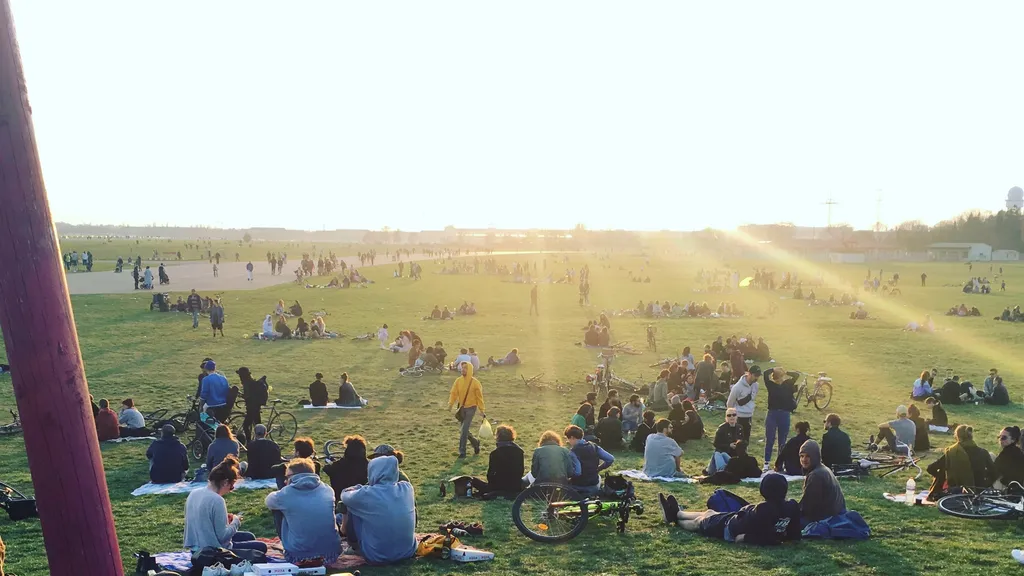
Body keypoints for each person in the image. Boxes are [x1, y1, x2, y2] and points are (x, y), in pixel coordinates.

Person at [658, 472, 800, 544]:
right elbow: (793, 534)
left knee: (699, 523)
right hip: (733, 519)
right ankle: (678, 512)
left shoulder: (765, 509)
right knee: (709, 512)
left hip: (728, 528)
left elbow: (766, 537)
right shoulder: (791, 506)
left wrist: (745, 538)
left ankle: (675, 518)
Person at [339, 456, 417, 565]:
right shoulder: (407, 488)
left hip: (376, 555)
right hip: (407, 551)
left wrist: (358, 488)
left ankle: (354, 546)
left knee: (351, 508)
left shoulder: (366, 494)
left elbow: (344, 496)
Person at [265, 458, 341, 565]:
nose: (284, 480)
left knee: (277, 510)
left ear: (293, 476)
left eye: (287, 476)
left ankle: (288, 545)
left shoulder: (286, 494)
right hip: (331, 554)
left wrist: (285, 488)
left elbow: (268, 501)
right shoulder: (327, 489)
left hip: (299, 556)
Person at [183, 456, 267, 553]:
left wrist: (224, 519)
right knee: (261, 547)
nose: (230, 490)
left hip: (195, 548)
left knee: (249, 536)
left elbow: (203, 520)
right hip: (212, 551)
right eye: (231, 486)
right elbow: (222, 537)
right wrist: (236, 522)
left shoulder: (194, 493)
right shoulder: (217, 500)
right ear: (225, 482)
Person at [926, 425, 995, 499]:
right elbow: (994, 472)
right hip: (979, 493)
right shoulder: (983, 452)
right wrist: (984, 484)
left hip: (956, 493)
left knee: (943, 469)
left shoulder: (951, 452)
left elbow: (930, 468)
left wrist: (941, 476)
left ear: (957, 437)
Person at [799, 440, 847, 522]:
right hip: (837, 514)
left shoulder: (816, 475)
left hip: (828, 519)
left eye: (808, 456)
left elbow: (808, 507)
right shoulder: (822, 468)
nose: (804, 459)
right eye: (801, 456)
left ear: (815, 456)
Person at [448, 362, 485, 458]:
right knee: (464, 430)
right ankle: (475, 442)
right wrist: (451, 404)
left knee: (464, 430)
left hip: (471, 408)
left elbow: (479, 397)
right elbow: (453, 393)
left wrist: (481, 409)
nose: (462, 369)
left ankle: (462, 452)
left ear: (470, 370)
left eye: (465, 368)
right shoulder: (458, 381)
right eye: (462, 368)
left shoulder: (475, 383)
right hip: (461, 408)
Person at [476, 425, 524, 497]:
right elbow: (521, 470)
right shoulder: (519, 451)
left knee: (473, 480)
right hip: (515, 486)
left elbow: (490, 474)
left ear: (498, 437)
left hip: (497, 486)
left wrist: (492, 484)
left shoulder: (495, 453)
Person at [565, 425, 615, 496]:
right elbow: (610, 459)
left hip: (578, 487)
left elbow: (578, 472)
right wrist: (599, 468)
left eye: (568, 439)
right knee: (599, 477)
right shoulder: (594, 446)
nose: (568, 442)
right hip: (594, 486)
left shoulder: (573, 452)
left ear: (572, 437)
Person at [763, 368, 799, 464]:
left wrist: (785, 371)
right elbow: (765, 374)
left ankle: (779, 463)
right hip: (773, 414)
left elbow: (796, 375)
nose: (778, 379)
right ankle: (767, 462)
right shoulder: (771, 385)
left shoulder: (787, 384)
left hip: (783, 414)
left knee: (782, 441)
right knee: (770, 439)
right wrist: (773, 369)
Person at [324, 435, 369, 501]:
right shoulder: (368, 465)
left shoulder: (338, 465)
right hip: (361, 501)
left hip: (341, 500)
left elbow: (326, 469)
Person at [727, 366, 761, 441]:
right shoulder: (737, 387)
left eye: (758, 376)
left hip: (749, 416)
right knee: (737, 439)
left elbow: (752, 399)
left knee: (746, 439)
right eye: (755, 375)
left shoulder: (756, 385)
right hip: (739, 417)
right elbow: (730, 403)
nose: (757, 378)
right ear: (749, 374)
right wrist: (731, 417)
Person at [236, 366, 266, 442]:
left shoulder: (247, 384)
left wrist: (240, 395)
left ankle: (249, 442)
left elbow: (247, 396)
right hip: (256, 407)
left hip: (251, 409)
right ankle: (261, 441)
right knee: (258, 425)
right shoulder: (252, 382)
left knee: (246, 426)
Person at [709, 408, 742, 475]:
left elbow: (743, 441)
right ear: (726, 418)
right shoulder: (722, 428)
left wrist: (738, 445)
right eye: (729, 415)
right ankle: (720, 470)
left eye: (734, 415)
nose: (732, 417)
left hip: (735, 456)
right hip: (723, 453)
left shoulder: (740, 428)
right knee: (717, 455)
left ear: (737, 416)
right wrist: (729, 445)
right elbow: (716, 444)